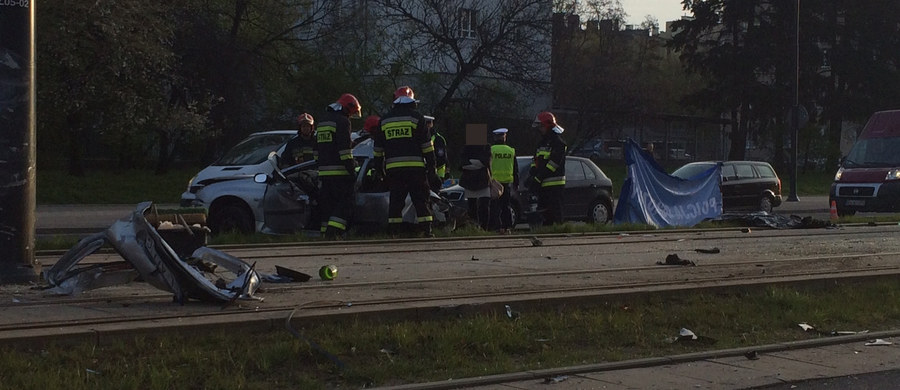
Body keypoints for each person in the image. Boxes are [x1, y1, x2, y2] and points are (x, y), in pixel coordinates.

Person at [374, 86, 438, 237]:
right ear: (412, 102)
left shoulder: (384, 120)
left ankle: (393, 232)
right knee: (421, 199)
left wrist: (379, 170)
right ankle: (427, 230)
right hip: (416, 169)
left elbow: (378, 149)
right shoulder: (417, 118)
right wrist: (432, 168)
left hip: (394, 171)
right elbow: (427, 148)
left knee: (396, 201)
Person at [316, 93, 361, 239]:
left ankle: (324, 233)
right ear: (347, 108)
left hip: (324, 172)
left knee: (328, 204)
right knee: (346, 202)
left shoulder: (322, 121)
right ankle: (334, 232)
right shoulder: (343, 122)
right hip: (339, 172)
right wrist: (352, 169)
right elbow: (345, 152)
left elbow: (317, 149)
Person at [527, 111, 567, 225]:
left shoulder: (559, 143)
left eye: (542, 126)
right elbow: (535, 161)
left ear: (548, 126)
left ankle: (558, 235)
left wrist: (539, 178)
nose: (540, 129)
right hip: (543, 185)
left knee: (556, 214)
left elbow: (553, 164)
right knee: (544, 216)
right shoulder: (541, 143)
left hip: (555, 186)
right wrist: (532, 175)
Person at [459, 126, 492, 230]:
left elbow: (485, 162)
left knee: (483, 207)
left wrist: (471, 163)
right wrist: (479, 164)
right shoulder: (469, 148)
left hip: (475, 180)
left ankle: (482, 227)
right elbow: (462, 164)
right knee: (473, 207)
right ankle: (476, 227)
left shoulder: (483, 147)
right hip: (476, 180)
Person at [489, 128, 518, 234]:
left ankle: (496, 227)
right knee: (506, 206)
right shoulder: (511, 150)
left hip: (494, 183)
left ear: (495, 137)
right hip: (507, 182)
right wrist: (516, 183)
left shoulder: (491, 150)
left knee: (494, 206)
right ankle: (507, 227)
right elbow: (515, 169)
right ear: (504, 137)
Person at [425, 115, 450, 184]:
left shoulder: (438, 139)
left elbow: (442, 158)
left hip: (437, 176)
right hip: (426, 176)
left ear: (431, 124)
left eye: (428, 123)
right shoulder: (423, 138)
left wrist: (429, 168)